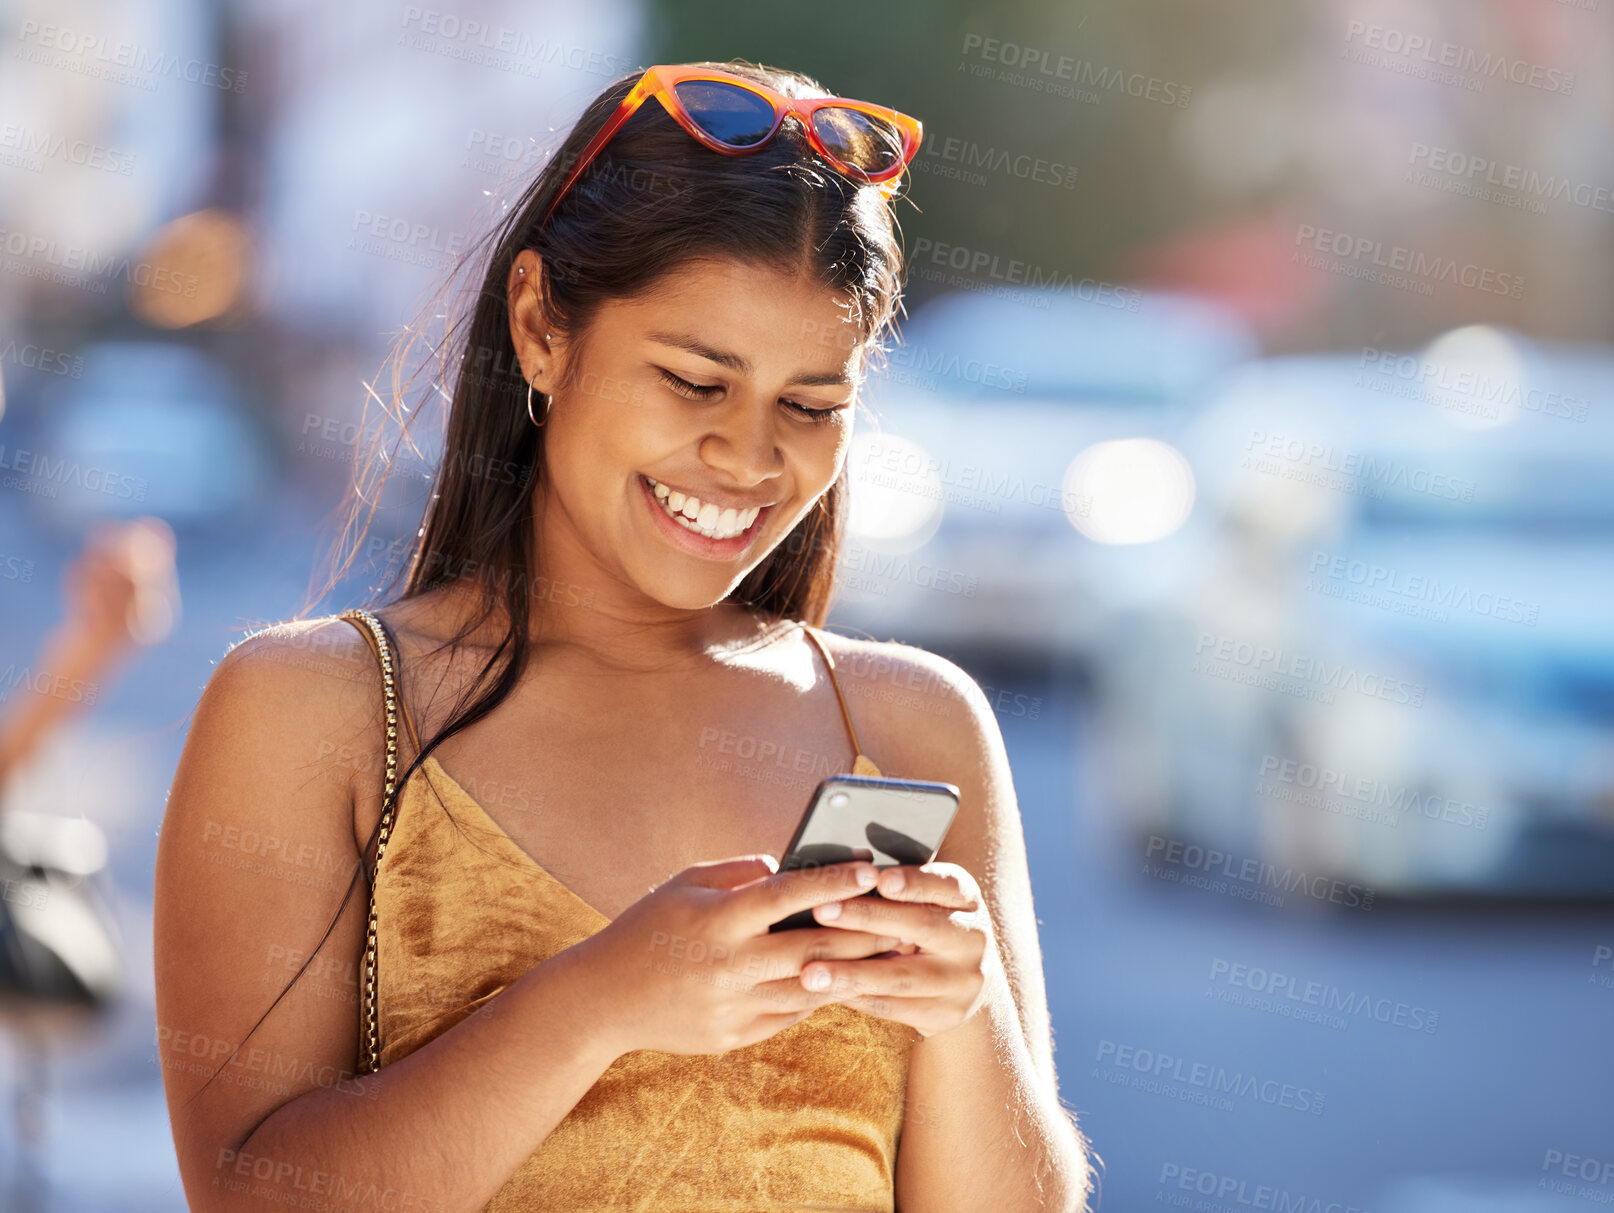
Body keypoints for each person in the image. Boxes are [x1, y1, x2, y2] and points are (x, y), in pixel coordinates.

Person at [154, 60, 1098, 1212]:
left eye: (812, 406)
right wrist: (601, 999)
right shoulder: (318, 708)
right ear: (542, 325)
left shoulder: (910, 721)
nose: (750, 460)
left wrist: (968, 1008)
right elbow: (253, 1197)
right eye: (696, 381)